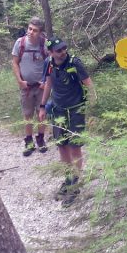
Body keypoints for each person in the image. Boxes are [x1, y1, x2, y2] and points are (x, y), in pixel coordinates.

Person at [38, 37, 95, 205]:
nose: (63, 52)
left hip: (76, 110)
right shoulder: (48, 63)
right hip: (57, 110)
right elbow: (48, 84)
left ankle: (75, 184)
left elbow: (89, 85)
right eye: (58, 50)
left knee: (74, 146)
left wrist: (90, 110)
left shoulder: (74, 63)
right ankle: (68, 178)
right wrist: (42, 106)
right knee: (62, 145)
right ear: (50, 53)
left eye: (64, 48)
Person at [11, 17, 49, 156]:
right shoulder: (20, 43)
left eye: (35, 30)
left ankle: (40, 139)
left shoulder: (45, 45)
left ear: (40, 32)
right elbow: (14, 62)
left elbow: (50, 63)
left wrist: (46, 82)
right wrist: (20, 81)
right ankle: (29, 142)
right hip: (25, 87)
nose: (31, 32)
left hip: (41, 87)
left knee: (41, 114)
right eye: (30, 29)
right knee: (27, 115)